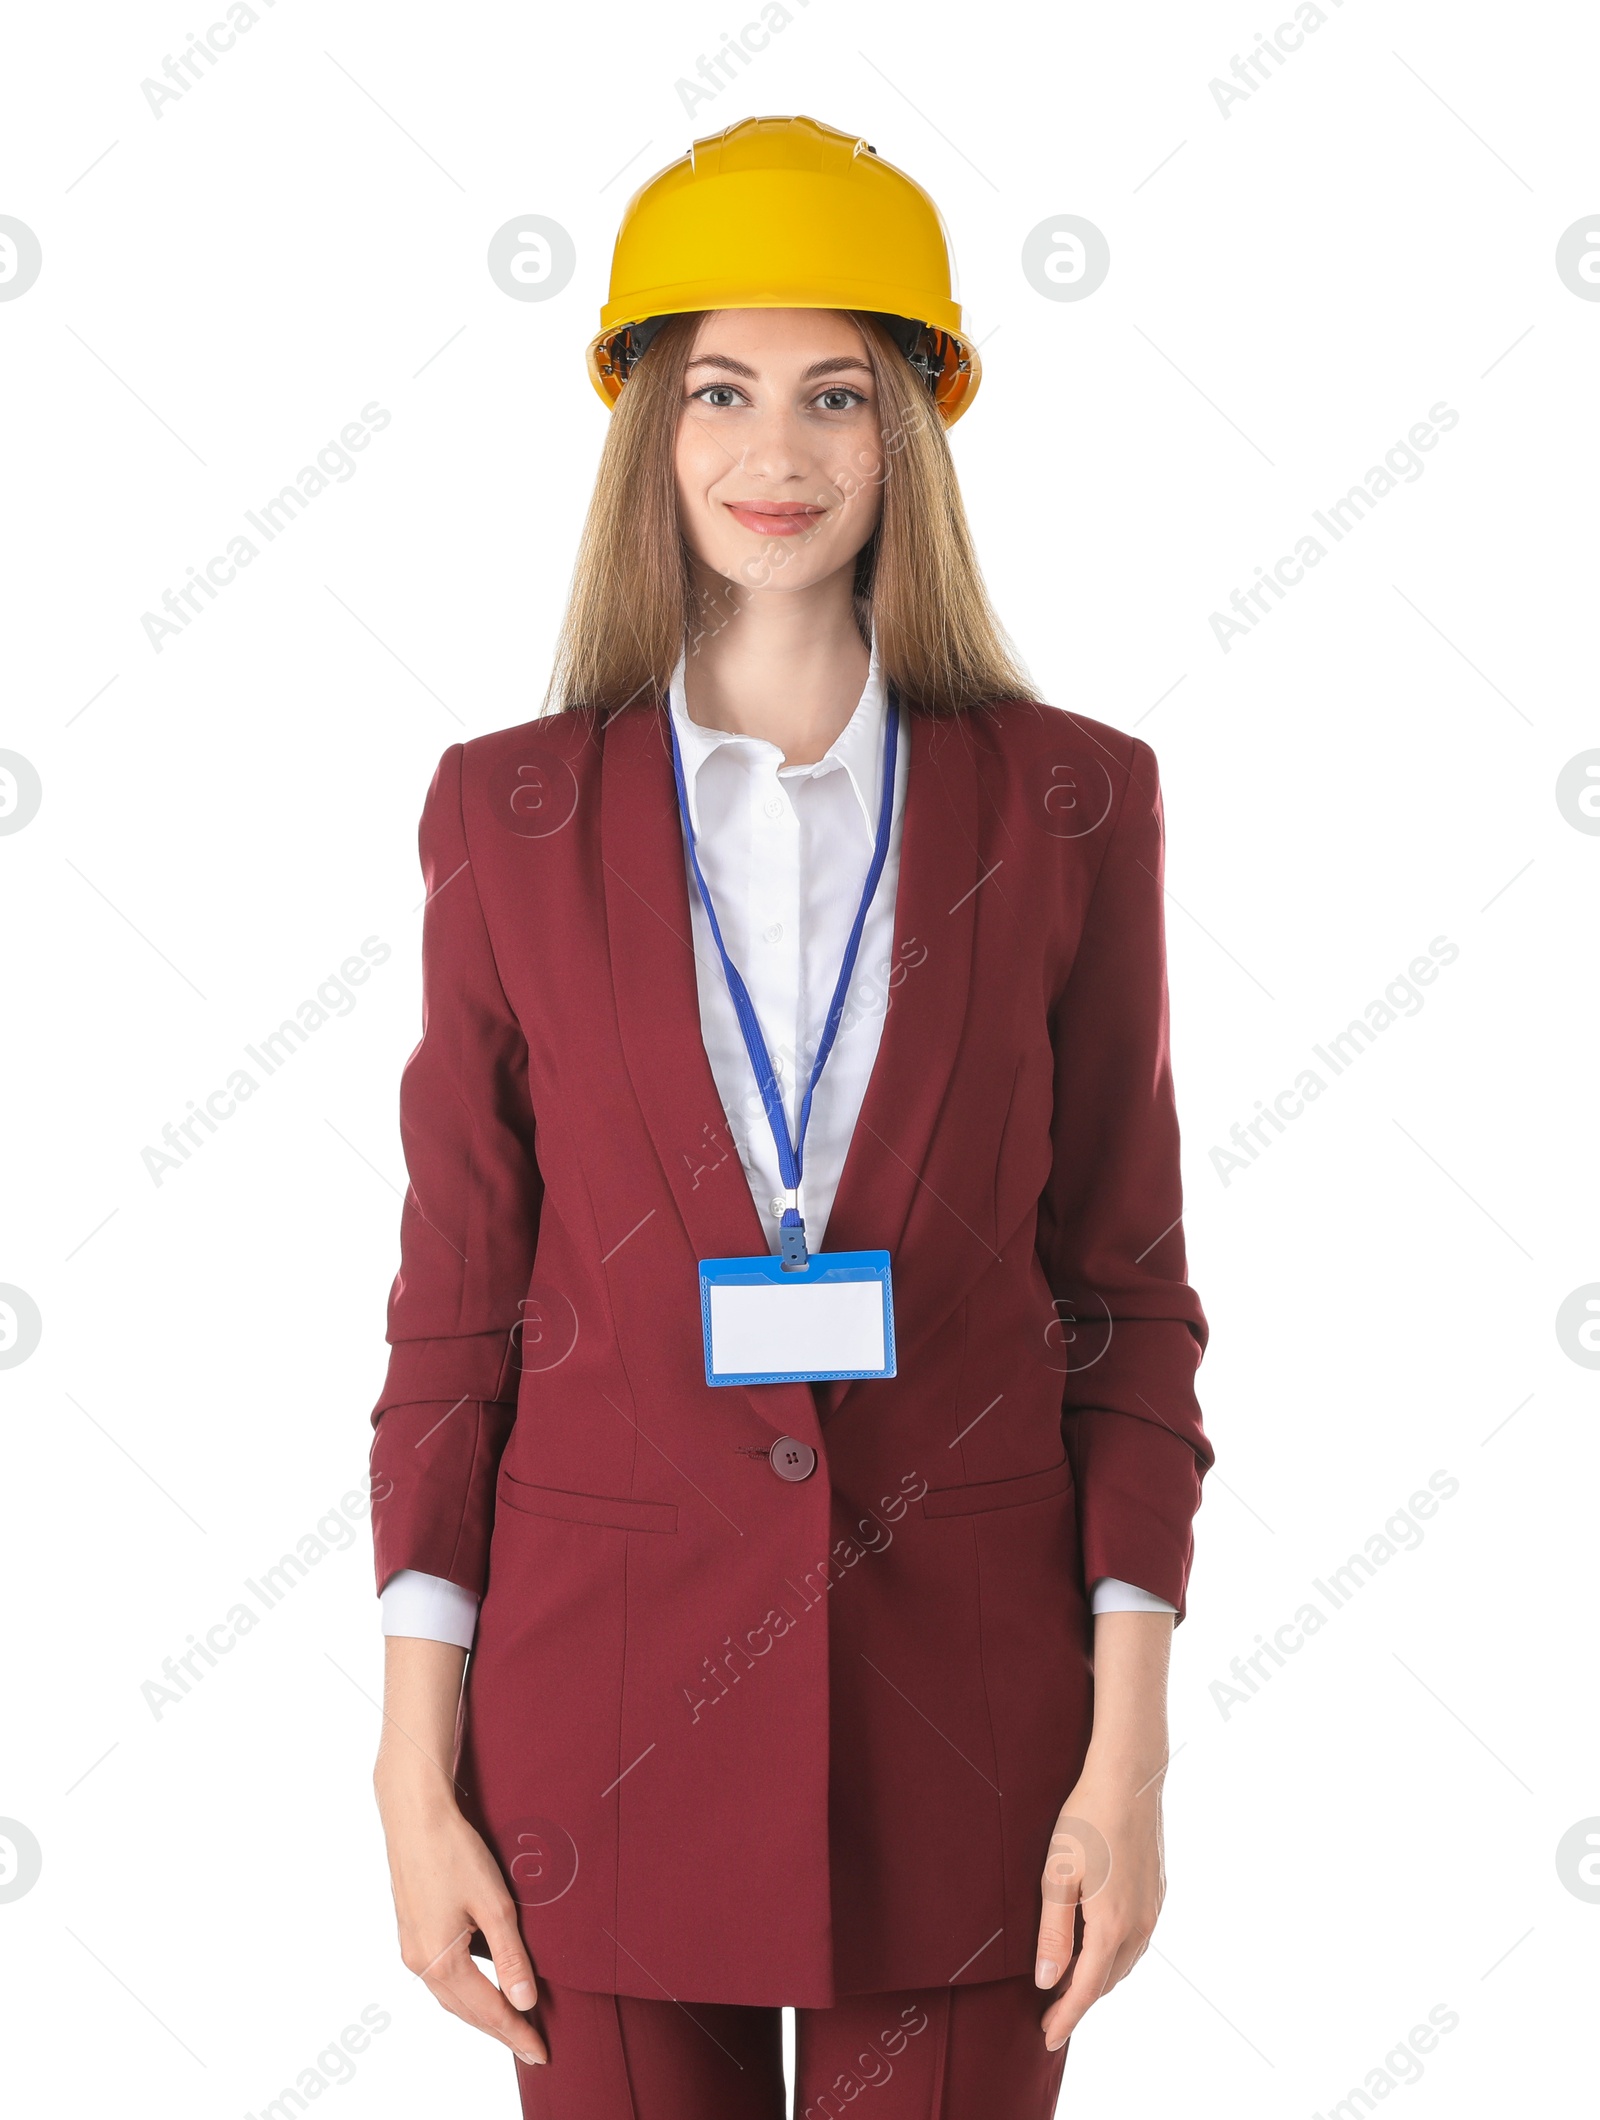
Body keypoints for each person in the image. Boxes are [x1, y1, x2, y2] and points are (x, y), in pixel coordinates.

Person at [367, 113, 1212, 2119]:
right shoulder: (508, 814)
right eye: (720, 390)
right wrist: (413, 1770)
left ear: (907, 430)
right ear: (649, 430)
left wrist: (1127, 1756)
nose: (776, 451)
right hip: (598, 1735)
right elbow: (454, 1318)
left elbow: (1125, 1301)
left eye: (836, 393)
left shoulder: (1072, 800)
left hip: (978, 1751)